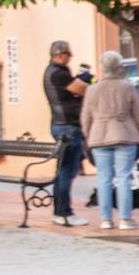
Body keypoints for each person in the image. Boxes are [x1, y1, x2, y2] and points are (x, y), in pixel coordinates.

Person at [81, 50, 139, 230]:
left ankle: (105, 219)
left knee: (104, 178)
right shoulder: (128, 87)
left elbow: (86, 117)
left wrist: (88, 134)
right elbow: (138, 115)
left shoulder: (92, 89)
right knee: (124, 178)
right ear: (119, 67)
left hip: (99, 136)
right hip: (125, 134)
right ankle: (125, 219)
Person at [43, 40, 92, 227]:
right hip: (67, 126)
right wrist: (85, 80)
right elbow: (82, 90)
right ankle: (64, 212)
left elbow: (72, 91)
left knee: (63, 170)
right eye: (69, 55)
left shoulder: (51, 71)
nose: (70, 58)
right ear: (61, 54)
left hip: (60, 125)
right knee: (67, 170)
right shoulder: (59, 73)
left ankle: (60, 211)